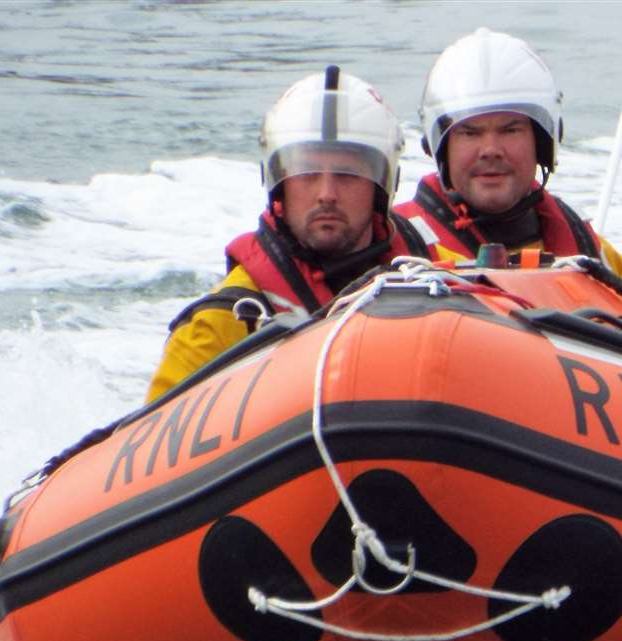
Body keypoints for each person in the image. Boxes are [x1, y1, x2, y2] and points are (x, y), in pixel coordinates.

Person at [147, 67, 425, 402]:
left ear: (382, 186)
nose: (326, 193)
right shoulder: (221, 326)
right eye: (306, 172)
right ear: (279, 184)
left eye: (348, 173)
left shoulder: (440, 274)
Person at [393, 28, 622, 269]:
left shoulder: (589, 248)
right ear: (439, 148)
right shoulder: (396, 254)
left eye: (510, 130)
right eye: (470, 133)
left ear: (542, 143)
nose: (490, 149)